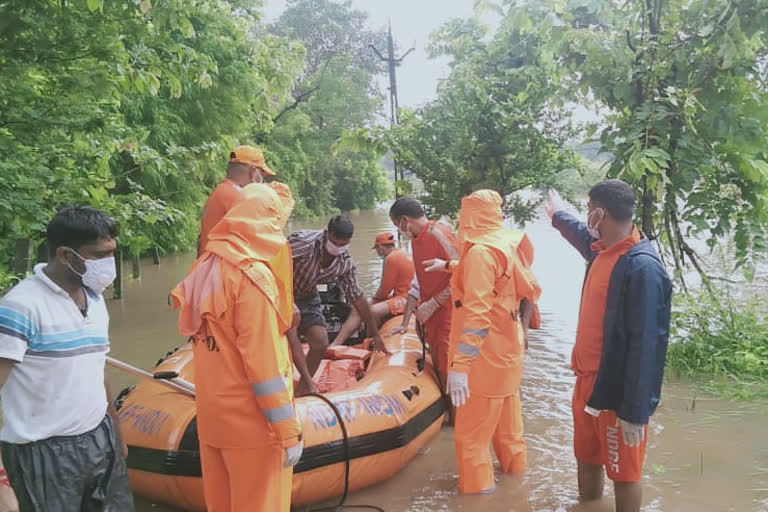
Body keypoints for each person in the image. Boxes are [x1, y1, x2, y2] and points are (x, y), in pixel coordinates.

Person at [171, 183, 302, 512]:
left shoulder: (203, 268)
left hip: (214, 423)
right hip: (253, 428)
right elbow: (265, 366)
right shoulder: (252, 277)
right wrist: (287, 431)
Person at [544, 180, 672, 512]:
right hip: (586, 383)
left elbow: (648, 344)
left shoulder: (641, 266)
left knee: (624, 473)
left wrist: (635, 411)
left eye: (588, 210)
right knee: (585, 456)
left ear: (601, 213)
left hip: (615, 391)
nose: (586, 216)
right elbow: (580, 234)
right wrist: (557, 215)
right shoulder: (601, 249)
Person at [0, 206, 134, 511]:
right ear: (65, 255)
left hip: (100, 440)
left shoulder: (96, 300)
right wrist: (2, 484)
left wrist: (116, 431)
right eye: (99, 255)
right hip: (42, 455)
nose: (108, 264)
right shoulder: (20, 308)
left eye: (112, 253)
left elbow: (96, 370)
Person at [424, 189, 541, 495]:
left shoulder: (479, 253)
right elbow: (504, 283)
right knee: (509, 437)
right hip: (508, 354)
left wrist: (461, 367)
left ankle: (478, 500)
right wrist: (449, 266)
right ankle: (516, 489)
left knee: (471, 443)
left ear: (469, 218)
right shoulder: (507, 244)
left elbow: (477, 315)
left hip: (483, 363)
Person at [288, 215, 390, 393]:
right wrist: (285, 298)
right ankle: (309, 385)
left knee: (320, 342)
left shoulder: (345, 263)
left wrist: (375, 333)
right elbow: (271, 258)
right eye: (336, 242)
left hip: (307, 295)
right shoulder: (303, 243)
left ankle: (302, 390)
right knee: (290, 335)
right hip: (283, 291)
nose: (339, 247)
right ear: (328, 234)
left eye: (344, 244)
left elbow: (358, 298)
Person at [388, 197, 458, 390]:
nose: (399, 231)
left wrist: (435, 302)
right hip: (431, 314)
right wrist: (405, 322)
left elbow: (465, 273)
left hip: (449, 312)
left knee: (446, 367)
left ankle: (455, 417)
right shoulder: (416, 241)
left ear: (404, 221)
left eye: (397, 225)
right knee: (437, 361)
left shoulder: (438, 234)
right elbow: (418, 283)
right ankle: (448, 412)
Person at [331, 232, 415, 347]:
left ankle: (368, 342)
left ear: (380, 247)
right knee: (359, 308)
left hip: (407, 298)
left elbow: (385, 289)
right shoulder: (401, 253)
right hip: (404, 296)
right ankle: (339, 343)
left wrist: (372, 301)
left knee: (370, 311)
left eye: (377, 250)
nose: (377, 253)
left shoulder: (391, 258)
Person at [198, 145, 276, 255]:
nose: (262, 180)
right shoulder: (240, 197)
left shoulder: (219, 192)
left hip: (208, 266)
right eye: (261, 174)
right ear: (253, 173)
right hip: (223, 269)